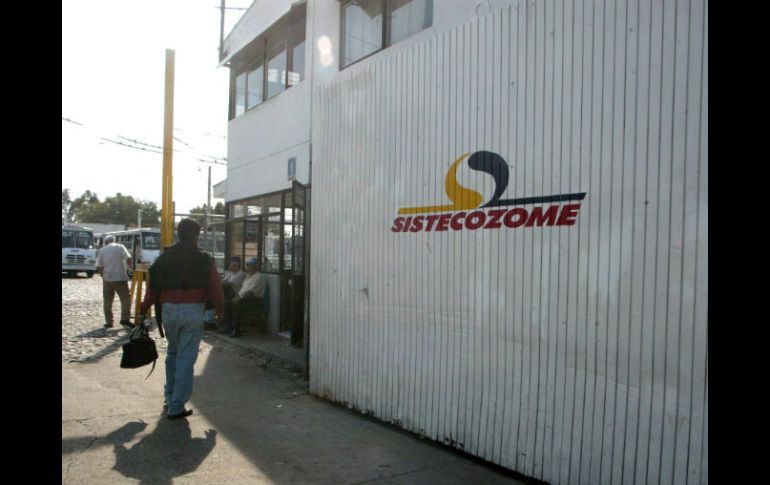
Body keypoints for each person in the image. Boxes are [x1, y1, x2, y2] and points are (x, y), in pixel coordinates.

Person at [139, 218, 224, 420]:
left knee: (173, 353)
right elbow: (215, 288)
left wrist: (143, 308)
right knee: (186, 358)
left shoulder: (166, 256)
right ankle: (177, 405)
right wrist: (220, 310)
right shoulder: (205, 258)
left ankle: (169, 397)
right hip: (193, 311)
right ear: (198, 235)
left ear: (179, 233)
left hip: (168, 310)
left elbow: (153, 286)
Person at [222, 257, 266, 338]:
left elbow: (250, 292)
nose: (248, 268)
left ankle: (237, 330)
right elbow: (243, 289)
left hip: (254, 300)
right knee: (227, 302)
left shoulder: (259, 277)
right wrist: (238, 297)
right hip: (243, 298)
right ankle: (228, 326)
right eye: (247, 266)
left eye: (250, 266)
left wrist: (239, 298)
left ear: (255, 267)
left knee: (236, 303)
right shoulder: (248, 276)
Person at [95, 235, 132, 328]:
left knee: (107, 302)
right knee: (125, 300)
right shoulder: (120, 247)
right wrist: (130, 267)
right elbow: (128, 258)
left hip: (107, 279)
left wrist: (103, 276)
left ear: (105, 242)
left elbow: (99, 266)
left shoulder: (102, 250)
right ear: (114, 240)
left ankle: (109, 322)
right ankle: (125, 319)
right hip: (120, 278)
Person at [219, 256, 247, 331]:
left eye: (230, 264)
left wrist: (220, 282)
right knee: (224, 301)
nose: (229, 265)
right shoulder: (231, 273)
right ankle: (225, 325)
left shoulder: (241, 274)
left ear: (235, 265)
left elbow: (227, 283)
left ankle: (229, 326)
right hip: (229, 296)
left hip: (236, 296)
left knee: (227, 303)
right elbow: (222, 281)